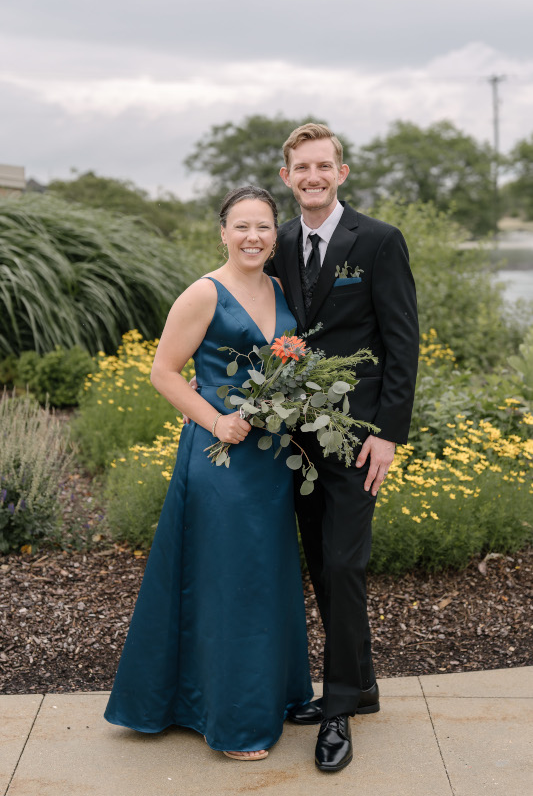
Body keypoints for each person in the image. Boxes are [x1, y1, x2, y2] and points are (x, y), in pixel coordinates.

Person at [104, 186, 313, 761]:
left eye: (264, 227)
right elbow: (164, 372)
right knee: (230, 583)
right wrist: (217, 420)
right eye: (241, 226)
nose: (252, 236)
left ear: (277, 235)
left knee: (264, 576)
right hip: (220, 458)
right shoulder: (202, 293)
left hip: (271, 460)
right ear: (222, 232)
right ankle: (236, 723)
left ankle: (278, 694)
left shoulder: (280, 288)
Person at [265, 123, 419, 772]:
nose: (312, 176)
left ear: (341, 172)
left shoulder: (378, 241)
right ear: (286, 177)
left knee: (344, 568)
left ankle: (337, 712)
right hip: (300, 445)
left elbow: (402, 342)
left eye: (322, 165)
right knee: (320, 568)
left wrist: (387, 433)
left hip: (358, 442)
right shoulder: (278, 243)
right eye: (301, 167)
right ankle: (361, 688)